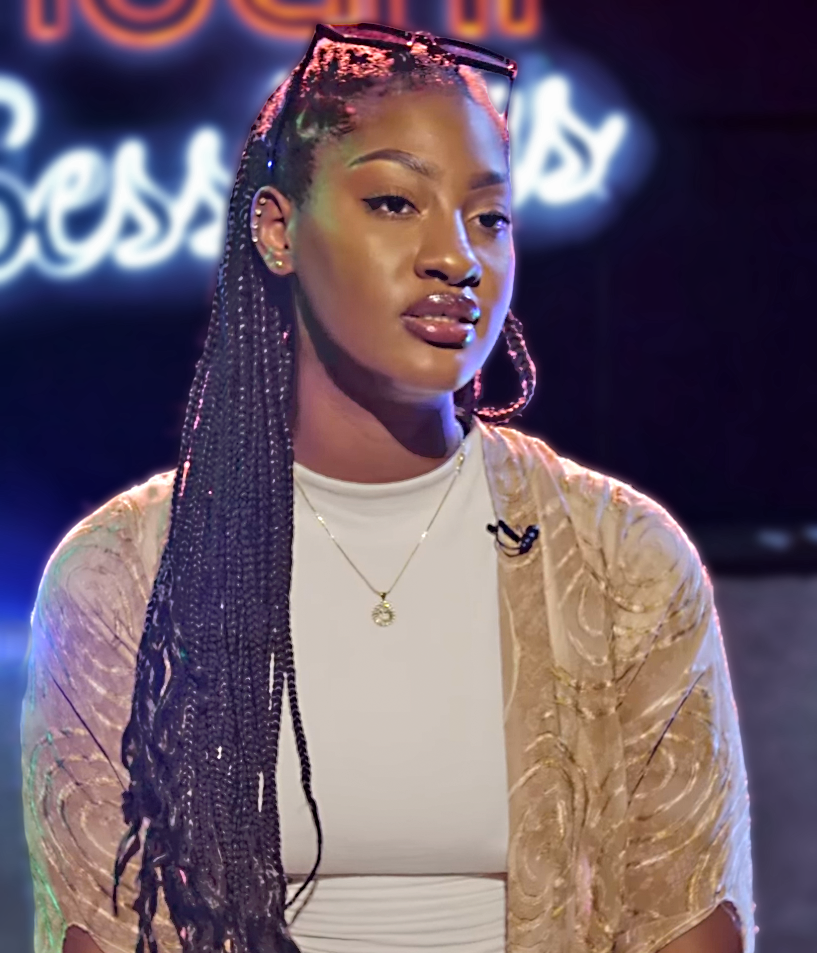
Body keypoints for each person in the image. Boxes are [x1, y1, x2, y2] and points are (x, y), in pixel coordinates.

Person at [21, 21, 753, 953]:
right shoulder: (123, 577)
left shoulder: (620, 562)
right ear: (277, 231)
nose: (456, 256)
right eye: (395, 202)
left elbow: (688, 919)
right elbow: (101, 926)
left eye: (488, 217)